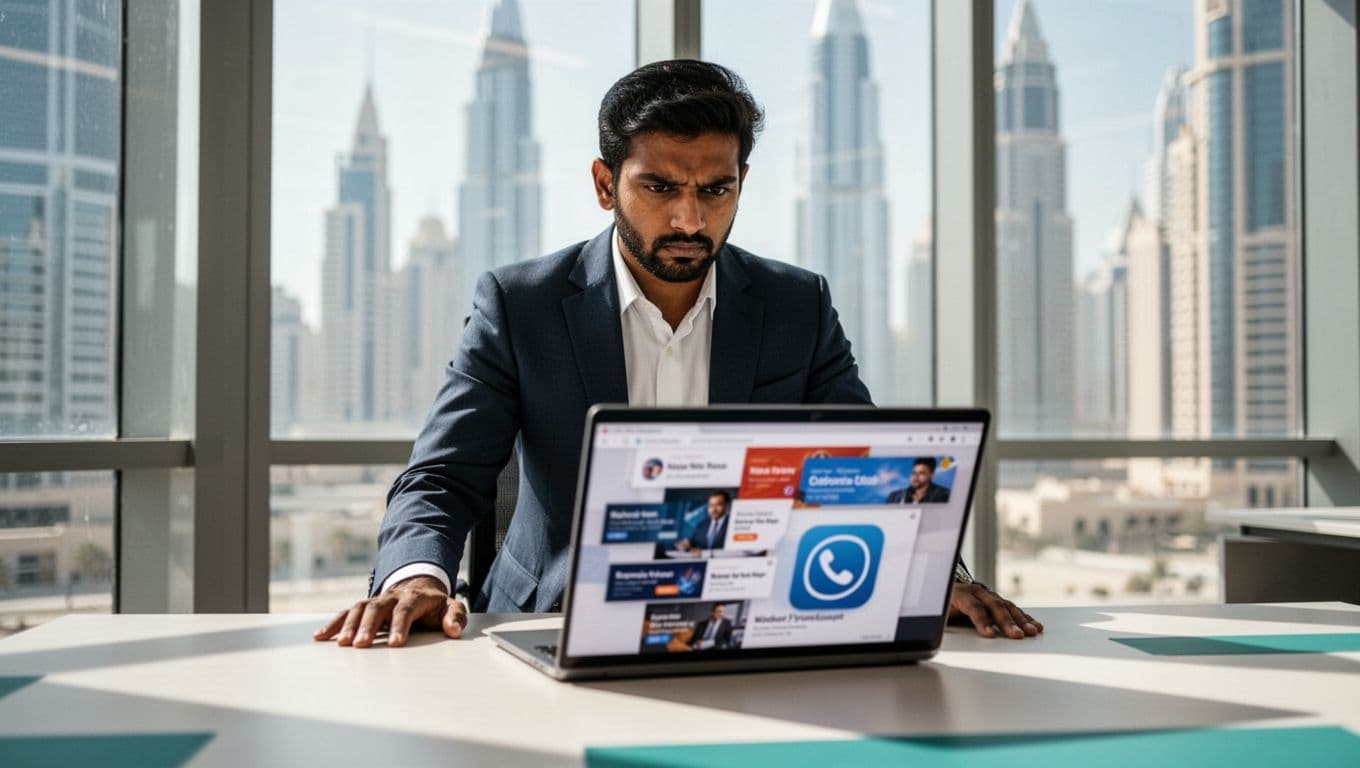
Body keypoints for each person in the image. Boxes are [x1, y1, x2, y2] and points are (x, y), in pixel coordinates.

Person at [315, 60, 1042, 650]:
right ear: (606, 185)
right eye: (659, 187)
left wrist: (925, 574)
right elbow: (442, 477)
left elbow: (861, 470)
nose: (691, 218)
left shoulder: (797, 305)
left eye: (715, 190)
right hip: (550, 625)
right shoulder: (520, 304)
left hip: (750, 628)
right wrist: (416, 577)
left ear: (741, 184)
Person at [886, 457, 952, 504]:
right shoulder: (894, 497)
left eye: (921, 473)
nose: (915, 477)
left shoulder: (944, 496)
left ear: (931, 474)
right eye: (914, 473)